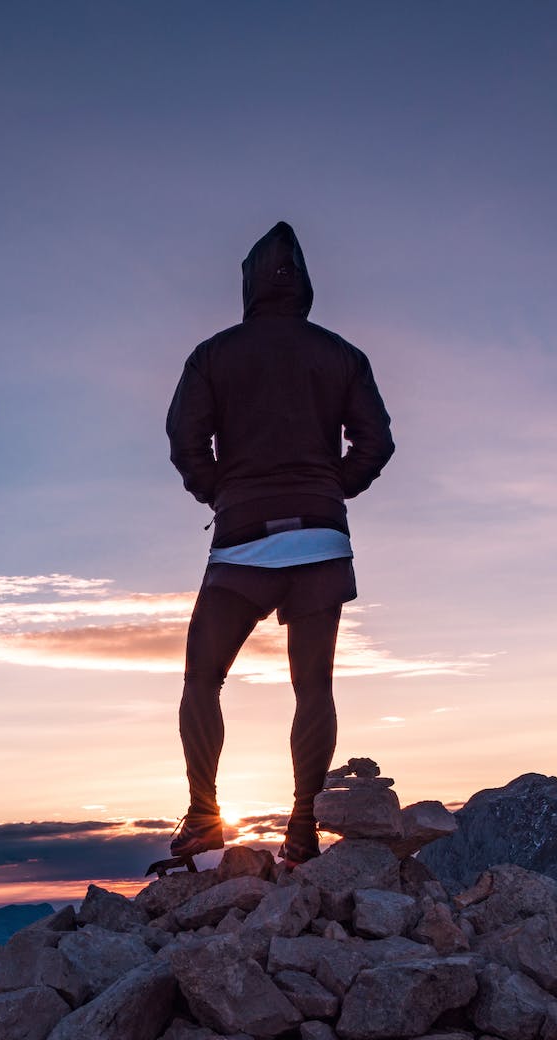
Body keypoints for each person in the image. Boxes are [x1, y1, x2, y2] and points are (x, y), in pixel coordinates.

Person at [164, 221, 395, 867]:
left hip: (241, 540)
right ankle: (301, 828)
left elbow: (186, 442)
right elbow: (376, 443)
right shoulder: (343, 354)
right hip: (321, 535)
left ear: (248, 283)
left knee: (202, 678)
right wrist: (330, 489)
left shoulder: (212, 355)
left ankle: (205, 817)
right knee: (313, 685)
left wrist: (223, 493)